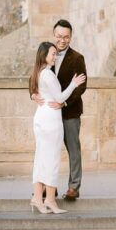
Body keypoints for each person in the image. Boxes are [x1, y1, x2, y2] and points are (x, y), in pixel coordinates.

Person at [32, 19, 87, 200]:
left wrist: (64, 103)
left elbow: (81, 86)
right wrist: (32, 94)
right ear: (54, 34)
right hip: (49, 115)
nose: (62, 40)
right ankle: (49, 188)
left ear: (71, 37)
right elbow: (33, 77)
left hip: (69, 112)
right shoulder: (47, 54)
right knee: (48, 150)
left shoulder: (78, 58)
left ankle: (74, 187)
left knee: (73, 149)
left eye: (66, 37)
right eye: (59, 36)